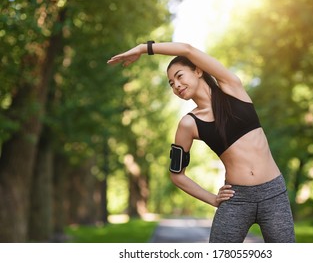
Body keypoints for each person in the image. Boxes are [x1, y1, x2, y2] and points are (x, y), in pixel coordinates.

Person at [107, 41, 296, 243]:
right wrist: (213, 199)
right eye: (171, 83)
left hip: (274, 194)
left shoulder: (232, 87)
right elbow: (177, 175)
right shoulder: (189, 124)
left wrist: (144, 49)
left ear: (198, 70)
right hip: (236, 199)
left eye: (179, 76)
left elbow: (186, 49)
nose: (176, 85)